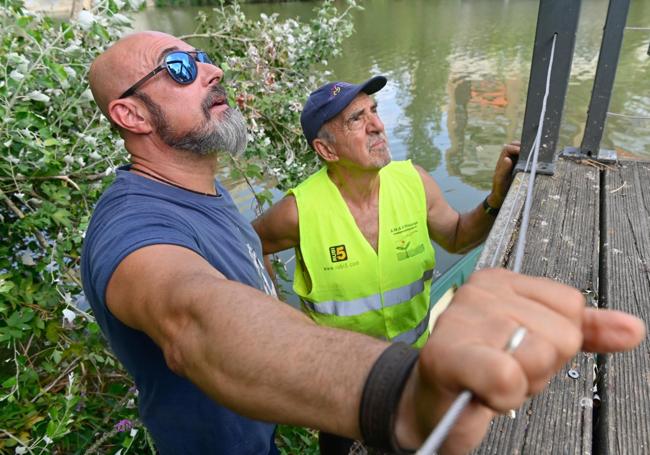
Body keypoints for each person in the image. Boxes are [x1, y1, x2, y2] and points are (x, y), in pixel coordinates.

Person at [81, 31, 645, 455]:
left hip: (270, 418)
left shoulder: (205, 194)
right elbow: (196, 318)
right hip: (301, 415)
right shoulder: (135, 228)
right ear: (130, 113)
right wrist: (398, 390)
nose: (212, 71)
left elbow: (246, 270)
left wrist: (495, 201)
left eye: (204, 58)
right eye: (179, 68)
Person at [252, 76, 518, 348]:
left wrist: (495, 199)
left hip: (413, 368)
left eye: (374, 111)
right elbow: (249, 245)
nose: (377, 126)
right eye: (356, 119)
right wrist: (277, 313)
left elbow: (458, 238)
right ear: (327, 149)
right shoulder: (297, 212)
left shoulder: (415, 182)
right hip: (338, 376)